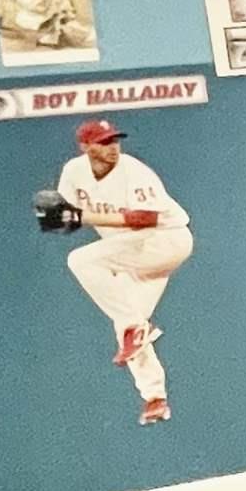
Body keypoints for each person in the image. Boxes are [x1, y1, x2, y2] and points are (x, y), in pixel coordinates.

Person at [53, 118, 193, 423]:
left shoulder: (133, 170)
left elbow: (146, 218)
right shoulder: (74, 173)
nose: (113, 147)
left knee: (81, 260)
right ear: (85, 148)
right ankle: (155, 398)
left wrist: (79, 216)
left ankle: (136, 328)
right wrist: (58, 219)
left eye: (115, 140)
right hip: (131, 254)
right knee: (127, 326)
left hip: (164, 240)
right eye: (104, 142)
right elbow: (65, 217)